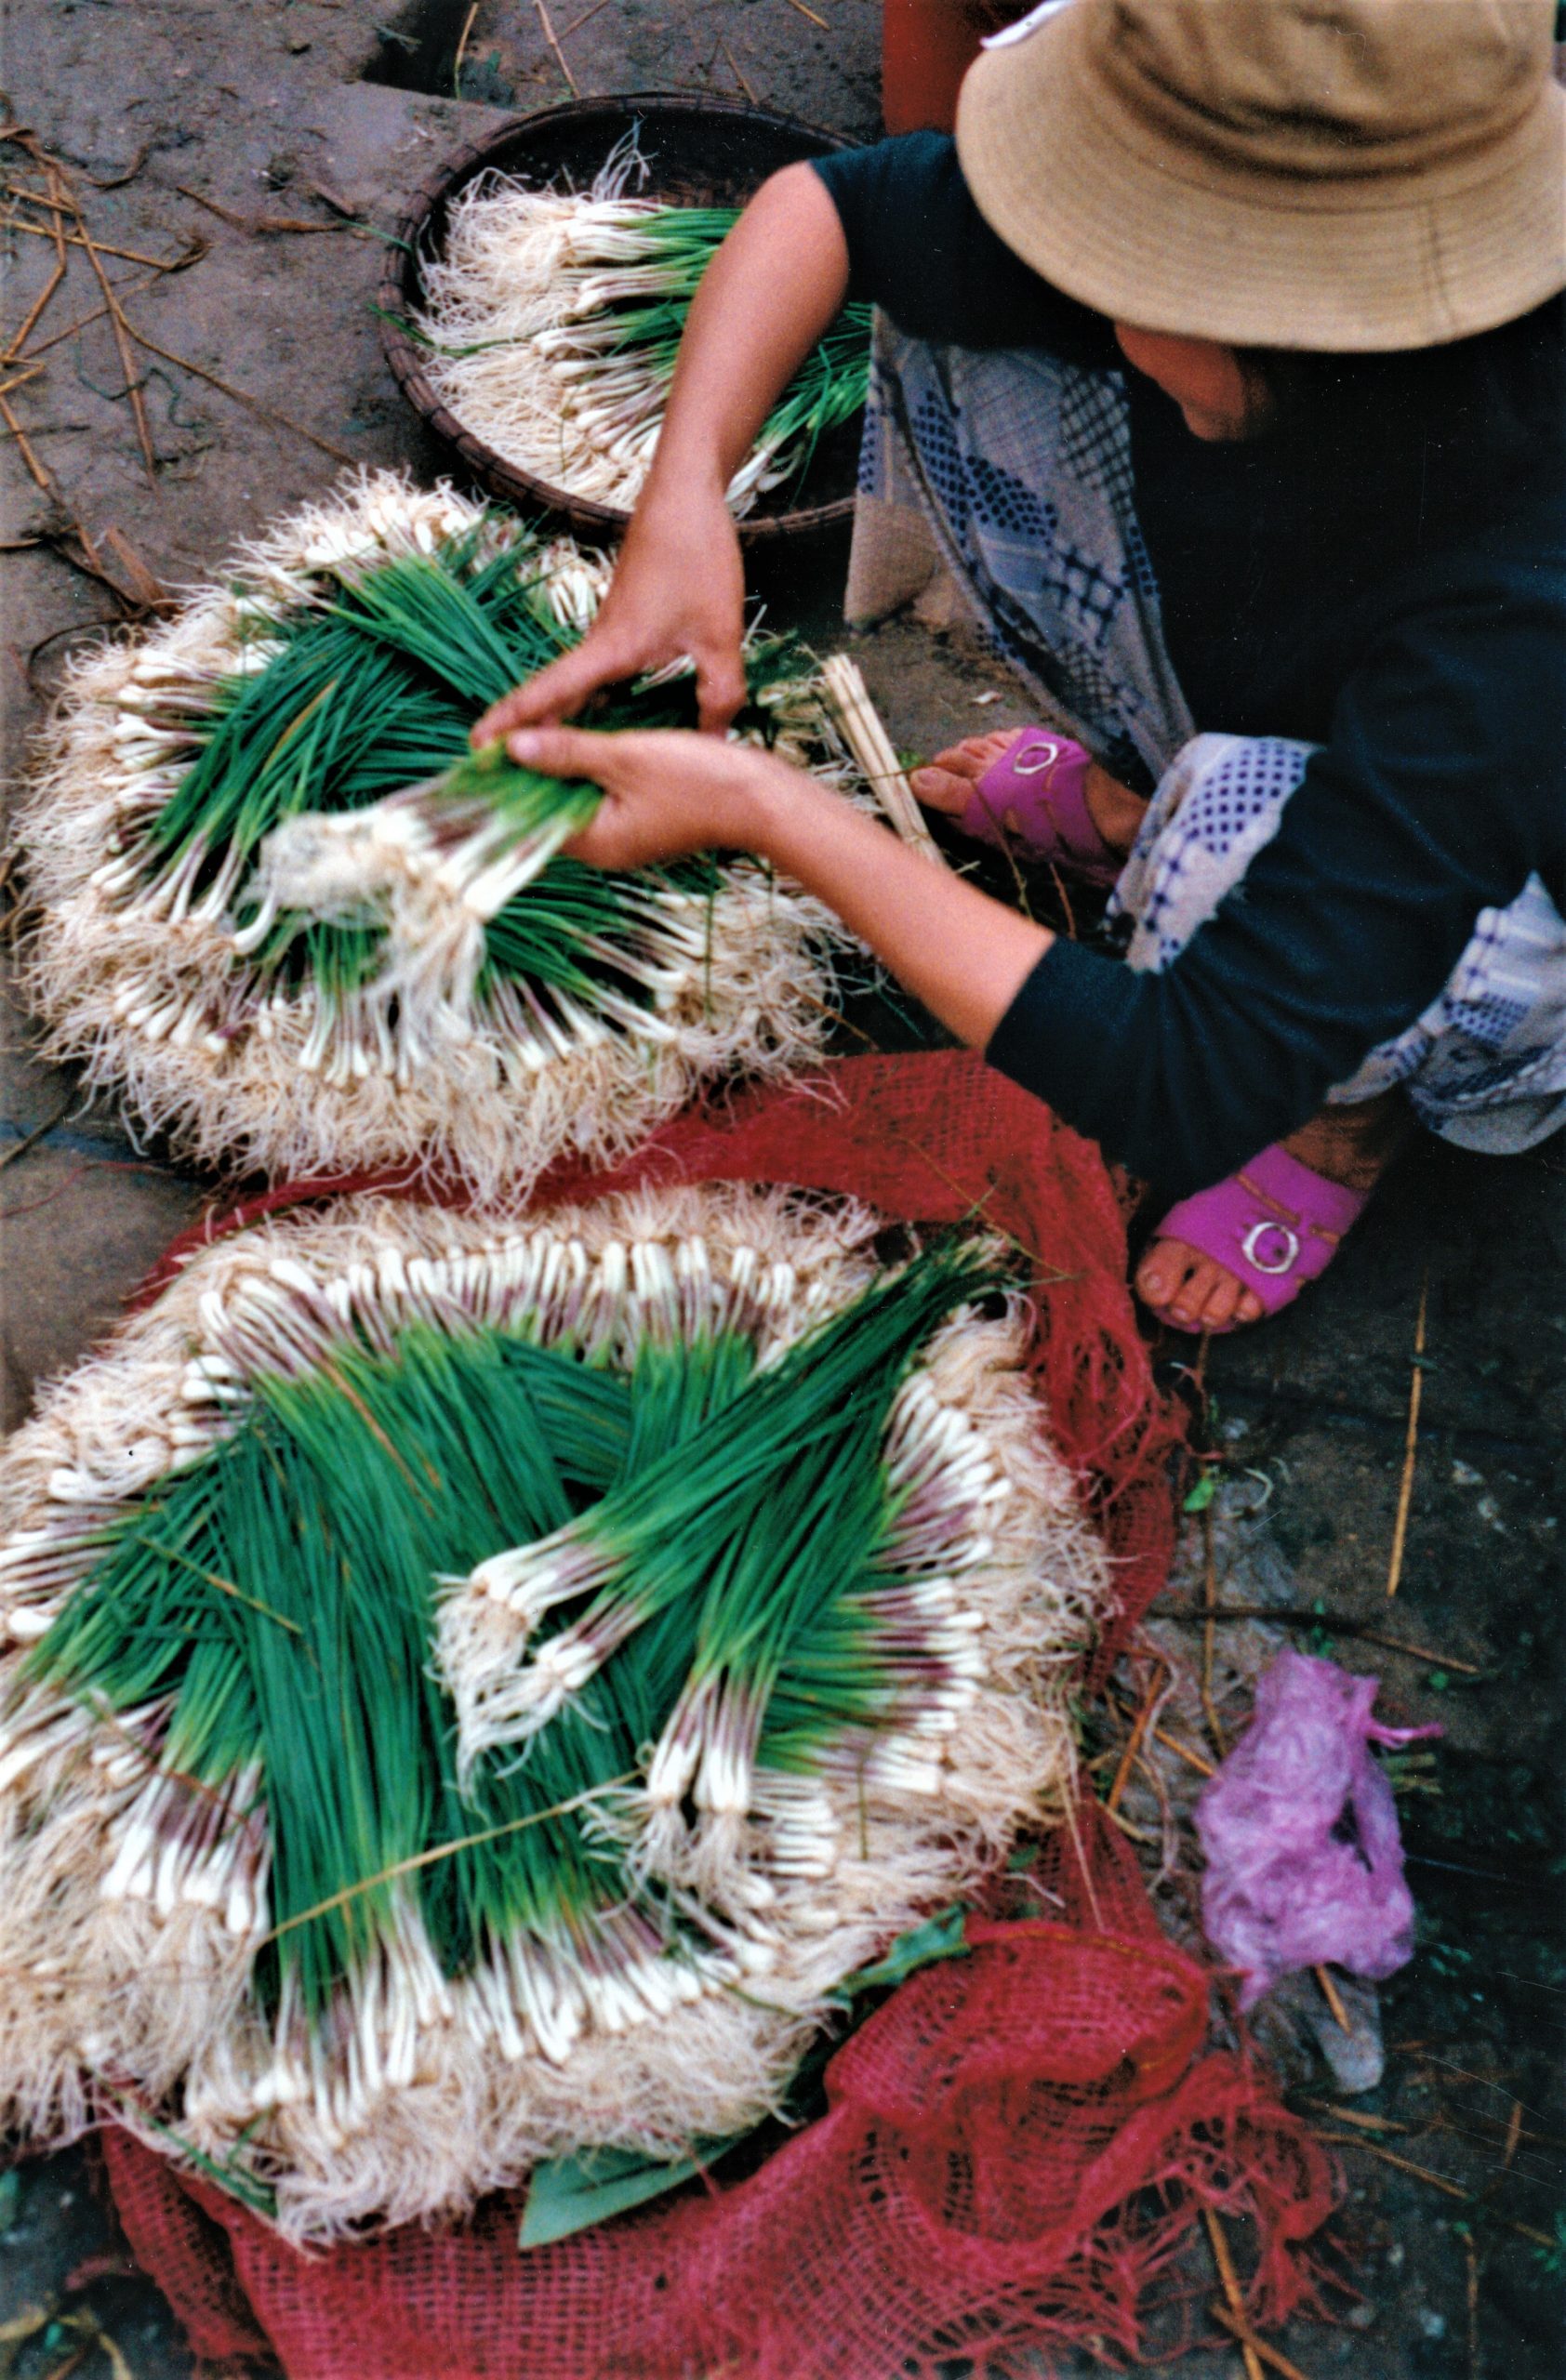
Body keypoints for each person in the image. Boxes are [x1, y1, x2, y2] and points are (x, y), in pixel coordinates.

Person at [474, 0, 1566, 1335]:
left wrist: (768, 809)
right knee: (964, 333)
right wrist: (684, 496)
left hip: (1518, 879)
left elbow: (1187, 1078)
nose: (1085, 277)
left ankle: (1343, 1120)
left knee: (1241, 846)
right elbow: (829, 210)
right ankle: (1138, 800)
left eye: (1125, 273)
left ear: (1266, 307)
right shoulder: (1326, 287)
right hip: (1348, 662)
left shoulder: (1526, 599)